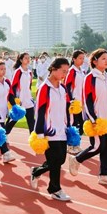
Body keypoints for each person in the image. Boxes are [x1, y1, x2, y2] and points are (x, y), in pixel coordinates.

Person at [69, 49, 107, 187]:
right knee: (98, 146)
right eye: (103, 58)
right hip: (97, 120)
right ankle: (77, 159)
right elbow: (87, 101)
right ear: (94, 61)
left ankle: (104, 175)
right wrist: (93, 119)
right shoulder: (90, 78)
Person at [30, 58, 72, 201]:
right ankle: (55, 189)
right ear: (53, 69)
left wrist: (69, 125)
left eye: (66, 72)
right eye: (62, 71)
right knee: (55, 160)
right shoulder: (44, 88)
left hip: (62, 129)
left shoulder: (63, 88)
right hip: (49, 131)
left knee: (60, 159)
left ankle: (37, 171)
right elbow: (40, 112)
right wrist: (40, 133)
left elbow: (66, 109)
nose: (64, 74)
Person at [6, 52, 35, 134]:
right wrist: (14, 100)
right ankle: (3, 136)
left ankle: (33, 140)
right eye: (26, 58)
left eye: (29, 58)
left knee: (31, 122)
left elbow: (29, 86)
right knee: (12, 120)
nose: (28, 59)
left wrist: (30, 98)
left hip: (28, 101)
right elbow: (13, 86)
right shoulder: (18, 71)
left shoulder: (29, 72)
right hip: (20, 101)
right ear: (21, 60)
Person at [64, 49, 87, 154]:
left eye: (83, 58)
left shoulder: (81, 71)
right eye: (80, 58)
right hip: (73, 102)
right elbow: (67, 85)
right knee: (74, 123)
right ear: (74, 59)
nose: (82, 60)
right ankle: (71, 145)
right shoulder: (72, 71)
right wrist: (71, 100)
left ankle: (76, 144)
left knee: (80, 124)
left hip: (81, 102)